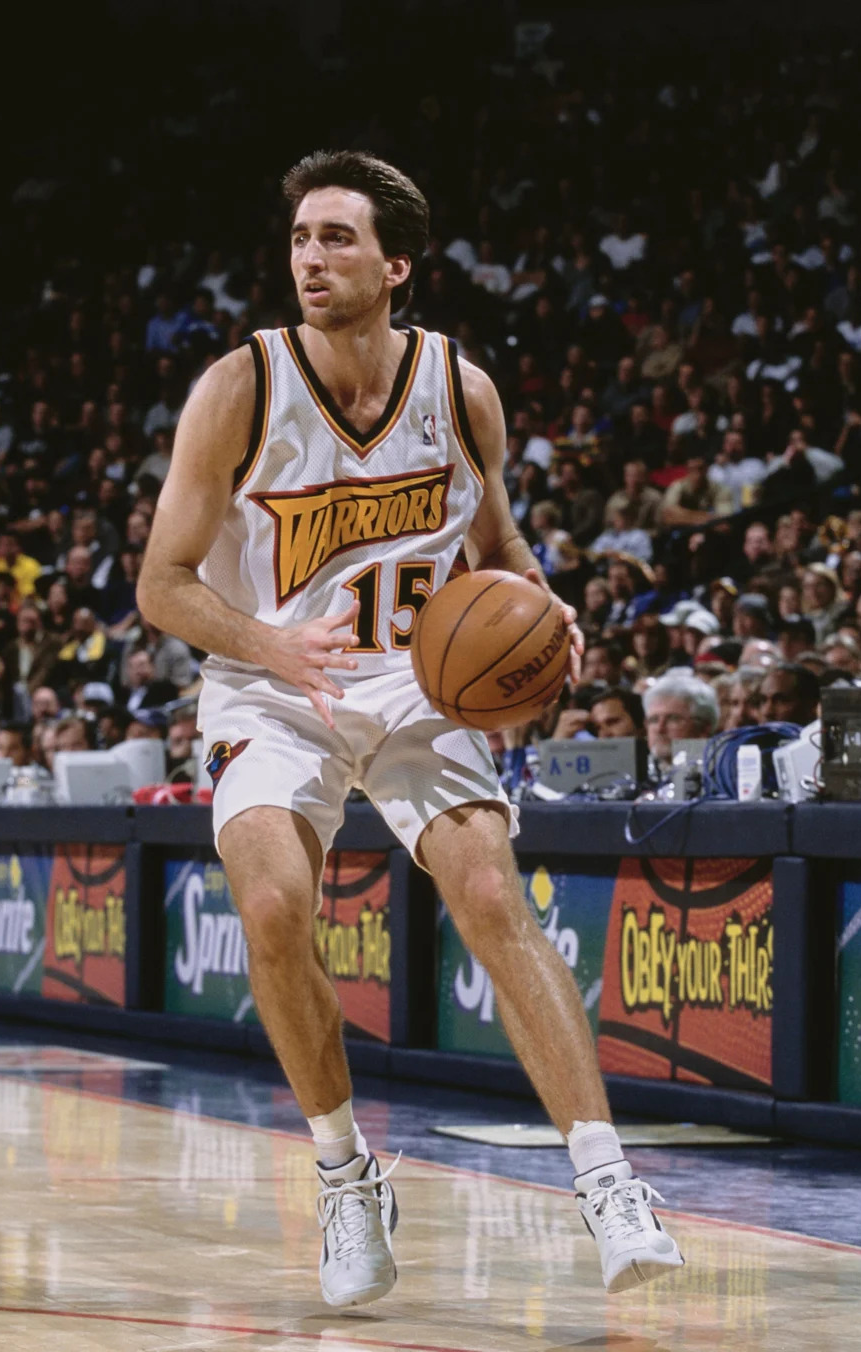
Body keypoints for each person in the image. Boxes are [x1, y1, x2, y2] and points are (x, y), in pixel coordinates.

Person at [136, 150, 683, 1307]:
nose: (310, 257)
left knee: (489, 891)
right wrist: (271, 642)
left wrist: (543, 610)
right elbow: (161, 583)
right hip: (275, 687)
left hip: (419, 685)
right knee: (273, 904)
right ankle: (346, 1174)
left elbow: (501, 547)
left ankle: (608, 1180)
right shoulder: (241, 389)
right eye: (300, 237)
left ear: (397, 265)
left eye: (337, 237)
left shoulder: (459, 389)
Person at [642, 670, 719, 772]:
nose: (660, 729)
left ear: (703, 728)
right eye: (654, 720)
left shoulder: (722, 775)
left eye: (673, 719)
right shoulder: (636, 775)